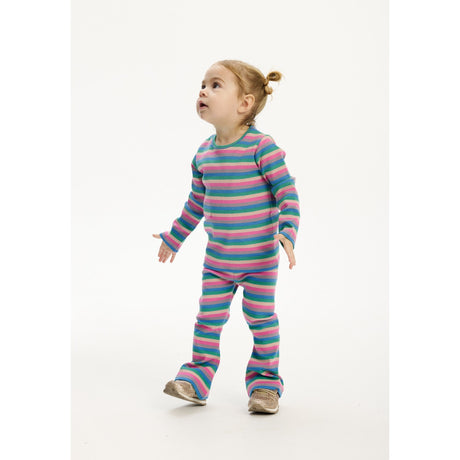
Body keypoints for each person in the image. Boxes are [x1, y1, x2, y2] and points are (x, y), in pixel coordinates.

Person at [153, 59, 300, 414]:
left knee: (261, 320)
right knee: (207, 321)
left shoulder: (261, 148)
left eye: (215, 85)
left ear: (244, 103)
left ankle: (265, 385)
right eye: (203, 85)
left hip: (259, 262)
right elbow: (196, 204)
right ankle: (196, 380)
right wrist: (174, 236)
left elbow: (287, 193)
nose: (203, 91)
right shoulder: (203, 154)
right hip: (218, 263)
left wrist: (288, 232)